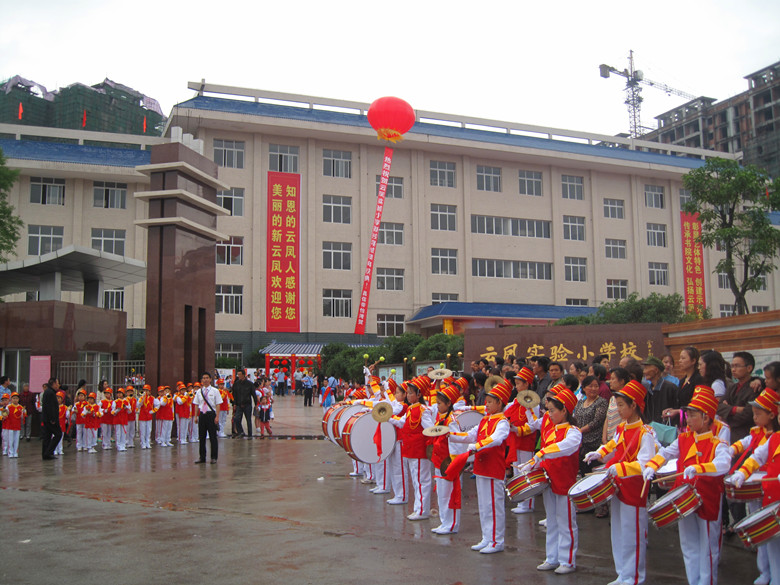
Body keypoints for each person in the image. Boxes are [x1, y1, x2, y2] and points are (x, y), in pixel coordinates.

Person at [644, 385, 731, 585]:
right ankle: (694, 581)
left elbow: (723, 464)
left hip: (708, 496)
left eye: (692, 416)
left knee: (707, 545)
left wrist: (700, 468)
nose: (688, 420)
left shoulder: (718, 443)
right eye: (688, 415)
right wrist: (651, 466)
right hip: (684, 495)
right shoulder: (684, 438)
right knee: (688, 543)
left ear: (706, 418)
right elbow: (666, 452)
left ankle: (706, 582)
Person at [585, 380, 655, 585]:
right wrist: (598, 453)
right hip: (618, 486)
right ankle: (622, 573)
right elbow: (613, 445)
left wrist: (620, 468)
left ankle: (634, 576)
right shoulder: (622, 428)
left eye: (622, 405)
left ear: (634, 405)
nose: (618, 409)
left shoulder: (646, 433)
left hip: (634, 489)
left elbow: (644, 463)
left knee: (633, 534)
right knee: (618, 531)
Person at [519, 386, 582, 574]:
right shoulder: (551, 430)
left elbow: (564, 447)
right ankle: (552, 557)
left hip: (565, 482)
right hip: (549, 480)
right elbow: (545, 454)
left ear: (564, 411)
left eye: (553, 410)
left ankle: (567, 560)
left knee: (566, 522)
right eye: (549, 410)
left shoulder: (573, 432)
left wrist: (541, 453)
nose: (550, 414)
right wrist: (532, 465)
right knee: (552, 521)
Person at [730, 361, 780, 585]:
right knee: (765, 535)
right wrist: (742, 472)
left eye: (759, 412)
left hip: (774, 492)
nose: (755, 416)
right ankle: (767, 573)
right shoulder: (770, 437)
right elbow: (755, 455)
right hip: (766, 491)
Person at [389, 377, 435, 520]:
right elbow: (402, 422)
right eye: (407, 393)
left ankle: (422, 510)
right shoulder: (410, 409)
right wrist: (387, 417)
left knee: (422, 481)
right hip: (411, 450)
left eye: (410, 393)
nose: (408, 396)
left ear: (419, 394)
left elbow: (431, 429)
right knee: (416, 481)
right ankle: (418, 508)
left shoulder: (423, 411)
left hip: (419, 450)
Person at [505, 366, 540, 514]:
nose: (516, 386)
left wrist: (517, 429)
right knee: (517, 470)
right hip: (515, 440)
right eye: (516, 383)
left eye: (519, 383)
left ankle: (528, 503)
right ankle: (521, 500)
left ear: (527, 384)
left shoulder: (533, 401)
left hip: (526, 441)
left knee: (526, 471)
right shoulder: (516, 400)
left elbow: (533, 424)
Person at [573, 375, 608, 477]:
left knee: (591, 472)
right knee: (582, 470)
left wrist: (580, 431)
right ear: (584, 388)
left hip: (593, 442)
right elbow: (576, 418)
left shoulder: (601, 402)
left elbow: (596, 422)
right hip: (581, 441)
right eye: (590, 386)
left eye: (596, 386)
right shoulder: (580, 402)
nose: (593, 389)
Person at [192, 372, 222, 464]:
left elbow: (218, 404)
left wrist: (217, 416)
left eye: (207, 378)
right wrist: (196, 416)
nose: (205, 380)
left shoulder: (215, 391)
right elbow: (196, 404)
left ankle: (214, 457)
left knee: (213, 437)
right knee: (202, 437)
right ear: (201, 380)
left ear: (210, 379)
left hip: (211, 414)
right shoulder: (199, 392)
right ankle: (202, 457)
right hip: (202, 414)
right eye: (203, 378)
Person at [641, 356, 679, 424]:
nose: (644, 371)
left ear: (656, 370)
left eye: (646, 368)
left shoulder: (670, 388)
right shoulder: (648, 390)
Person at [41, 378, 62, 460]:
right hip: (50, 419)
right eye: (57, 383)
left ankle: (46, 454)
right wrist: (52, 419)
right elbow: (50, 407)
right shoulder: (50, 393)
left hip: (47, 418)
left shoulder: (48, 392)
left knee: (47, 436)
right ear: (53, 383)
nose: (58, 385)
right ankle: (49, 452)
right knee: (58, 434)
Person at [231, 369, 255, 438]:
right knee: (237, 419)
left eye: (240, 374)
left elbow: (253, 394)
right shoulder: (236, 383)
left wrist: (256, 404)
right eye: (238, 374)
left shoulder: (249, 384)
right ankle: (240, 432)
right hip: (239, 404)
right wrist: (234, 403)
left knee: (248, 420)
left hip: (247, 404)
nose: (239, 376)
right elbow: (234, 394)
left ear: (244, 375)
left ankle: (250, 434)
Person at [3, 392, 25, 458]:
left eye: (16, 398)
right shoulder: (8, 407)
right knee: (10, 440)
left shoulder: (20, 407)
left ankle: (15, 452)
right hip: (10, 426)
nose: (15, 400)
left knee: (16, 440)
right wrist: (4, 416)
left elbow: (22, 417)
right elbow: (5, 415)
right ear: (11, 399)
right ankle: (10, 452)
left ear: (18, 399)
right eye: (14, 398)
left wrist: (24, 412)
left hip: (17, 426)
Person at [137, 385, 157, 449]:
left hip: (149, 416)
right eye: (144, 390)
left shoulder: (152, 398)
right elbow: (138, 405)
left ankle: (148, 442)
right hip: (142, 416)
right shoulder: (141, 398)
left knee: (148, 430)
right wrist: (143, 398)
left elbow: (158, 404)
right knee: (142, 430)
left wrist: (153, 410)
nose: (145, 392)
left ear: (149, 391)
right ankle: (143, 443)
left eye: (147, 390)